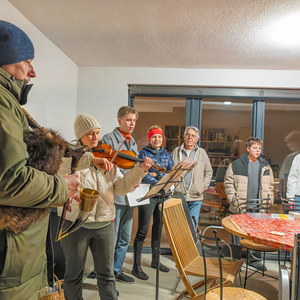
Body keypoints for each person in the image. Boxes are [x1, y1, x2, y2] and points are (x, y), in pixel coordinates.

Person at [0, 20, 81, 300]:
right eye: (26, 61)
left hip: (17, 258)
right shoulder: (2, 102)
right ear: (5, 62)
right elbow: (10, 180)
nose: (32, 72)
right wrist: (61, 186)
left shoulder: (9, 103)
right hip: (10, 265)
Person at [59, 114, 153, 300]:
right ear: (80, 136)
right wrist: (91, 161)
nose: (96, 138)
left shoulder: (108, 155)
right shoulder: (68, 157)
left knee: (107, 275)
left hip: (105, 223)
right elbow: (61, 177)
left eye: (97, 133)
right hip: (76, 225)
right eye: (90, 134)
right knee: (73, 276)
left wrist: (138, 172)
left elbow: (119, 188)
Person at [102, 106, 140, 284]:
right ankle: (107, 274)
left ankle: (117, 270)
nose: (132, 123)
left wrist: (138, 176)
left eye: (134, 120)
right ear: (119, 120)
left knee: (125, 238)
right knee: (113, 237)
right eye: (128, 120)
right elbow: (105, 167)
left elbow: (134, 166)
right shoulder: (109, 139)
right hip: (115, 195)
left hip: (130, 197)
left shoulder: (133, 142)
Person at [224, 137, 274, 270]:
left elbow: (270, 185)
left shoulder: (265, 165)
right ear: (248, 149)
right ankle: (236, 261)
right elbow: (228, 183)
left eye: (259, 148)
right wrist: (233, 198)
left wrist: (270, 198)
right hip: (241, 206)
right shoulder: (235, 165)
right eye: (254, 148)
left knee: (256, 235)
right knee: (237, 235)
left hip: (259, 207)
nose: (258, 150)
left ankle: (255, 260)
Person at [131, 125, 174, 280]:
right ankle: (136, 266)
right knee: (143, 229)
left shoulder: (167, 155)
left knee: (158, 228)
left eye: (159, 137)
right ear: (150, 138)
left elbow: (171, 172)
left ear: (162, 139)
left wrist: (159, 175)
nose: (157, 139)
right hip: (148, 195)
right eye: (154, 137)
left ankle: (155, 261)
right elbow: (143, 173)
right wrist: (158, 178)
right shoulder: (143, 153)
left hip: (163, 195)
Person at [172, 126, 213, 233]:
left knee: (192, 228)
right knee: (179, 227)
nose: (190, 137)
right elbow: (171, 171)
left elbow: (209, 171)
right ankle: (179, 250)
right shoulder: (176, 151)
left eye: (193, 136)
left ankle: (191, 250)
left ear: (197, 139)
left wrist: (203, 186)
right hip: (178, 195)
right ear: (184, 137)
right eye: (188, 135)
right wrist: (172, 188)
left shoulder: (202, 153)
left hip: (195, 197)